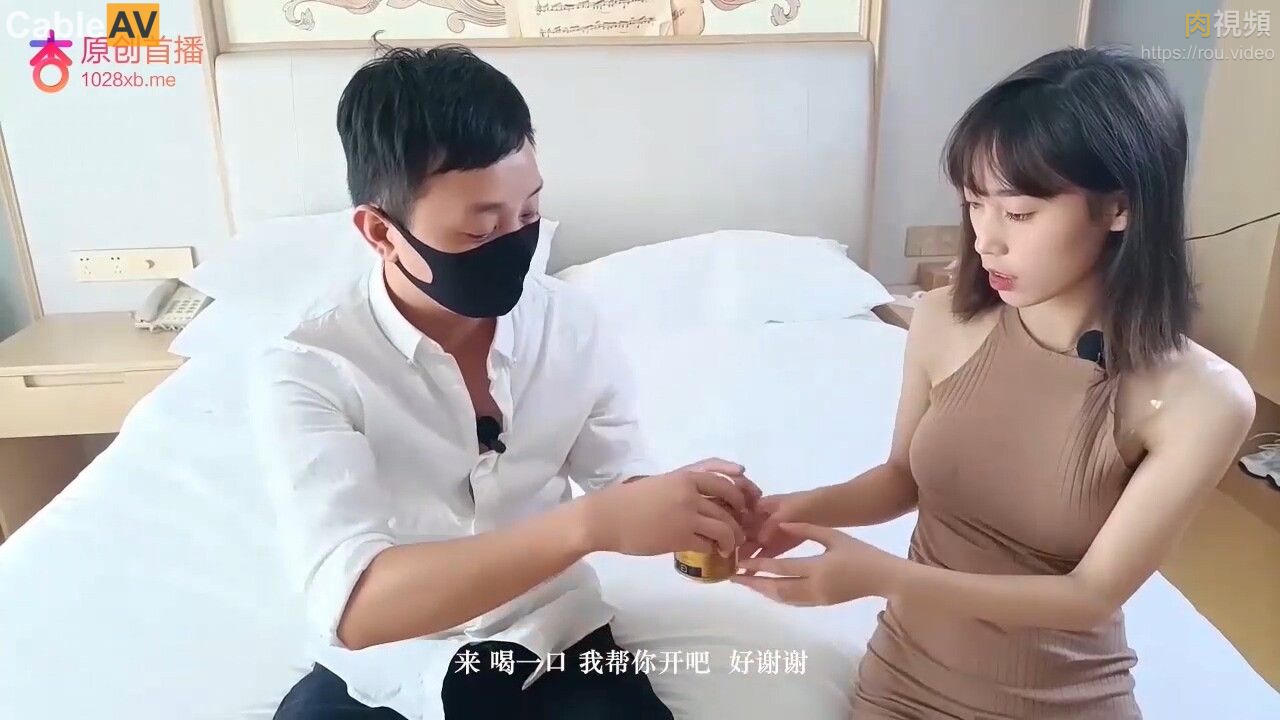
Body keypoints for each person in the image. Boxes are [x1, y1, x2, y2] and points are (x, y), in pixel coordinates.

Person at [733, 47, 1255, 718]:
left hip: (1065, 702)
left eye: (1020, 213)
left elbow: (1090, 596)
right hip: (905, 683)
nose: (985, 241)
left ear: (1119, 207)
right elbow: (902, 478)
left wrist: (883, 575)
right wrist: (791, 511)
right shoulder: (943, 320)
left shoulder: (1203, 399)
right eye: (974, 205)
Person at [253, 44, 759, 720]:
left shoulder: (570, 325)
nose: (514, 244)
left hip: (553, 639)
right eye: (481, 228)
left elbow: (617, 478)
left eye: (527, 216)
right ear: (381, 232)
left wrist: (685, 510)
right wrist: (586, 527)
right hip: (390, 657)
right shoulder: (309, 365)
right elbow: (355, 605)